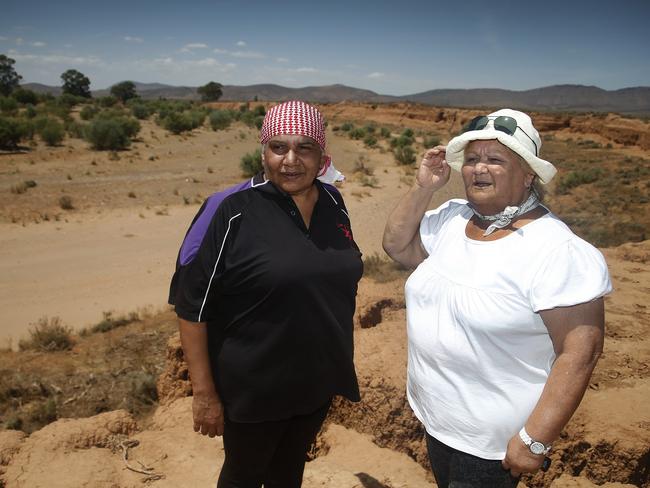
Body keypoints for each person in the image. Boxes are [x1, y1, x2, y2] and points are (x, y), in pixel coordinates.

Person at [383, 109, 612, 487]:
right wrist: (424, 187)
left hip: (491, 447)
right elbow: (397, 246)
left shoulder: (557, 250)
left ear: (528, 175)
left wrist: (535, 439)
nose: (478, 169)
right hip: (436, 421)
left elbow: (581, 351)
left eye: (495, 159)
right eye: (471, 159)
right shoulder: (453, 219)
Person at [169, 100, 362, 488]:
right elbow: (193, 305)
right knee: (244, 474)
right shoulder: (232, 211)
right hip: (254, 388)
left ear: (322, 155)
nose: (290, 160)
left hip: (317, 380)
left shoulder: (334, 203)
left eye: (304, 147)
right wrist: (204, 393)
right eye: (279, 147)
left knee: (289, 471)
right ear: (263, 152)